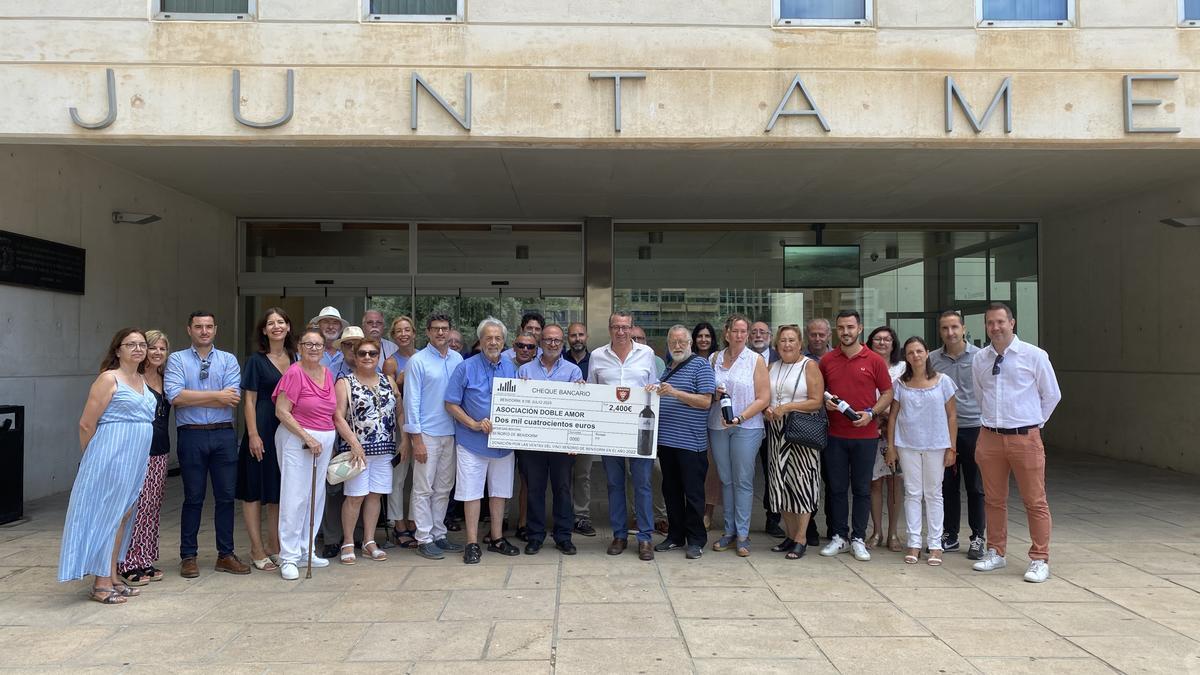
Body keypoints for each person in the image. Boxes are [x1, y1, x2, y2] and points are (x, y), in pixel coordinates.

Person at [59, 329, 156, 604]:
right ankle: (101, 584)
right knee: (108, 515)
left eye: (141, 345)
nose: (138, 349)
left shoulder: (140, 378)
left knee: (123, 515)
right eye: (131, 344)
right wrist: (92, 459)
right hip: (110, 454)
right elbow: (86, 423)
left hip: (135, 457)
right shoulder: (108, 378)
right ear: (117, 350)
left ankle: (112, 575)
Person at [970, 303, 1061, 583]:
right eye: (990, 323)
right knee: (994, 500)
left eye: (1000, 322)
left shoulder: (1033, 355)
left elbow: (1051, 395)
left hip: (1025, 437)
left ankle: (1039, 558)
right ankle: (996, 551)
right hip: (990, 437)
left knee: (1034, 500)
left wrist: (1033, 423)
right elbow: (979, 394)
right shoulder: (980, 359)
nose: (995, 328)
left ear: (1012, 323)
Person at [165, 312, 249, 577]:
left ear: (215, 329)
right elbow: (175, 397)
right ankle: (188, 556)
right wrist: (216, 396)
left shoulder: (228, 359)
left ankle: (225, 554)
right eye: (199, 326)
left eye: (209, 326)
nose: (204, 331)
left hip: (223, 434)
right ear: (189, 329)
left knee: (225, 497)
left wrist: (196, 397)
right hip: (191, 435)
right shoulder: (177, 359)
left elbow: (232, 398)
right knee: (193, 497)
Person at [818, 310, 894, 562]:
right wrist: (824, 402)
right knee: (837, 488)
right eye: (841, 327)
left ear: (859, 328)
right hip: (835, 434)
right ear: (836, 330)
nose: (846, 332)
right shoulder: (827, 360)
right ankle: (840, 536)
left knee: (862, 488)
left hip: (865, 435)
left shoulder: (873, 360)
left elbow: (887, 393)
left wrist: (872, 413)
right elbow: (819, 392)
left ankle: (858, 538)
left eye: (850, 327)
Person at [445, 318, 521, 564]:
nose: (494, 342)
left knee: (499, 493)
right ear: (481, 340)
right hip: (472, 442)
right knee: (472, 493)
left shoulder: (511, 367)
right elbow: (451, 403)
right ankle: (472, 542)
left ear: (504, 341)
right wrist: (473, 424)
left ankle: (497, 539)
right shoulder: (465, 368)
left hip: (503, 444)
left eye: (498, 338)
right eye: (489, 337)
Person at [590, 311, 660, 561]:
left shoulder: (647, 354)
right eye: (616, 327)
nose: (621, 331)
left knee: (642, 484)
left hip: (640, 430)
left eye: (625, 327)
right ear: (609, 329)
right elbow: (591, 392)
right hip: (610, 432)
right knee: (614, 484)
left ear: (632, 329)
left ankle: (645, 538)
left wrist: (655, 388)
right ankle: (619, 535)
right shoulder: (597, 356)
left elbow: (655, 388)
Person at [885, 337, 957, 566]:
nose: (915, 356)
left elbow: (952, 416)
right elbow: (893, 416)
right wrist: (891, 447)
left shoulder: (943, 381)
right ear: (905, 357)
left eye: (918, 351)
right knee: (913, 493)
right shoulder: (900, 384)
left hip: (937, 444)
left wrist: (952, 448)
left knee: (934, 494)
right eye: (910, 353)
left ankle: (935, 544)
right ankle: (914, 542)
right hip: (908, 444)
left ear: (927, 353)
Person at [273, 329, 339, 581]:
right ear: (299, 347)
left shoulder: (327, 373)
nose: (313, 348)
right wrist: (307, 437)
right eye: (308, 344)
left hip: (322, 441)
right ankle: (288, 556)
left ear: (324, 349)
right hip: (297, 440)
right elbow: (282, 411)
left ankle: (305, 550)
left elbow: (330, 413)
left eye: (318, 344)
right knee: (294, 497)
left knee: (315, 496)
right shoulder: (294, 373)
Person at [334, 336, 404, 564]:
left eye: (372, 354)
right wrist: (353, 442)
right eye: (362, 353)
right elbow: (337, 416)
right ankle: (347, 541)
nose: (367, 357)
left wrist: (404, 439)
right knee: (355, 496)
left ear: (378, 357)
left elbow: (399, 412)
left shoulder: (388, 381)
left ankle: (369, 541)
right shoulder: (345, 382)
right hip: (358, 451)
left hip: (384, 450)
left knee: (375, 495)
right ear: (354, 356)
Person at [236, 309, 295, 572]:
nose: (276, 326)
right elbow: (248, 400)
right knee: (253, 491)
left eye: (280, 322)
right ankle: (256, 548)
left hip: (287, 431)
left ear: (288, 327)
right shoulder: (255, 361)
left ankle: (275, 546)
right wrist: (252, 434)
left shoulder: (296, 358)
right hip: (261, 428)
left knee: (277, 492)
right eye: (270, 323)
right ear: (263, 330)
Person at [707, 314, 770, 557]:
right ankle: (729, 531)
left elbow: (764, 398)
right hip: (718, 424)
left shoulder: (755, 360)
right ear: (726, 333)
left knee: (743, 480)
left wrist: (740, 417)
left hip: (747, 425)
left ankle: (743, 535)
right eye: (736, 331)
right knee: (726, 479)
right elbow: (707, 390)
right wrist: (715, 391)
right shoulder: (715, 358)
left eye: (744, 331)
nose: (740, 335)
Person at [517, 324, 583, 555]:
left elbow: (578, 409)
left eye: (556, 340)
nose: (552, 344)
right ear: (541, 342)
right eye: (548, 340)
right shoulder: (524, 371)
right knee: (535, 489)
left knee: (563, 489)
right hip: (532, 443)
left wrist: (575, 440)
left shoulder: (574, 371)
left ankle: (563, 536)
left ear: (562, 342)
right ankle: (535, 536)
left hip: (562, 444)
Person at [404, 313, 465, 560]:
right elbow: (411, 401)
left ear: (451, 331)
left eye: (445, 329)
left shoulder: (458, 358)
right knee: (422, 488)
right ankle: (423, 537)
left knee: (443, 488)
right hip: (426, 434)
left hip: (451, 433)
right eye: (436, 329)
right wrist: (416, 439)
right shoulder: (417, 361)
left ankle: (439, 534)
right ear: (428, 332)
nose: (441, 333)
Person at [653, 326, 717, 560]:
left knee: (693, 494)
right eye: (673, 342)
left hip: (691, 444)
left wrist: (675, 393)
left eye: (682, 341)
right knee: (670, 491)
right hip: (667, 443)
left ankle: (696, 539)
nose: (677, 346)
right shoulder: (669, 368)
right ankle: (675, 536)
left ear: (690, 343)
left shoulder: (701, 366)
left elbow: (705, 401)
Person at [763, 325, 824, 560]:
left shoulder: (809, 366)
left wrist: (786, 407)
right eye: (783, 341)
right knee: (781, 483)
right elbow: (765, 396)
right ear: (777, 345)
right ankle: (789, 536)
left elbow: (816, 401)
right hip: (777, 431)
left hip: (801, 430)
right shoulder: (772, 367)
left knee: (802, 484)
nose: (787, 345)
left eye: (791, 340)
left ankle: (801, 538)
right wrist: (768, 409)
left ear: (800, 344)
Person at [930, 310, 987, 560]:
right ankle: (949, 535)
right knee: (947, 486)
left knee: (975, 486)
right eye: (945, 328)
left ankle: (977, 537)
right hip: (943, 431)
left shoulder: (981, 357)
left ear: (963, 328)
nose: (950, 333)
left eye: (954, 327)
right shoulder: (932, 359)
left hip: (974, 428)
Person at [117, 329, 172, 586]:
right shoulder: (133, 378)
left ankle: (144, 558)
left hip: (160, 449)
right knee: (134, 508)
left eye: (162, 348)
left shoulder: (166, 377)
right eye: (153, 348)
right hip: (137, 449)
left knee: (151, 507)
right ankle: (126, 562)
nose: (158, 353)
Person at [866, 325, 906, 552]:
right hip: (872, 428)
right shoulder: (866, 364)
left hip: (897, 431)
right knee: (874, 483)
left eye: (887, 339)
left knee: (894, 482)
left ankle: (893, 533)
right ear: (871, 342)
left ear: (893, 343)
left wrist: (890, 416)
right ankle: (876, 531)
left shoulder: (903, 368)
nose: (882, 343)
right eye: (877, 339)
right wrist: (877, 414)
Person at [382, 315, 418, 547]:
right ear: (393, 336)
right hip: (399, 427)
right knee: (398, 477)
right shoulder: (391, 363)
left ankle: (416, 520)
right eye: (399, 331)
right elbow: (391, 395)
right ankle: (398, 523)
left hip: (423, 425)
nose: (403, 334)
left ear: (414, 333)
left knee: (421, 478)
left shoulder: (424, 356)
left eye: (407, 330)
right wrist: (402, 379)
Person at [630, 325, 669, 535]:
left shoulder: (657, 362)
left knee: (656, 472)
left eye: (641, 338)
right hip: (626, 427)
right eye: (634, 337)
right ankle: (638, 517)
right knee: (633, 474)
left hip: (650, 426)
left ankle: (661, 516)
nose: (637, 340)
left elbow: (660, 389)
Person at [750, 319, 784, 538]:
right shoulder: (741, 358)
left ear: (770, 336)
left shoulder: (780, 359)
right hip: (745, 423)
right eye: (754, 332)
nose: (758, 335)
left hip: (772, 425)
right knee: (742, 473)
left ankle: (773, 518)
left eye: (762, 332)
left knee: (773, 472)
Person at [803, 316, 834, 546]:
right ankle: (809, 526)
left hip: (836, 428)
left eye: (821, 334)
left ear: (828, 335)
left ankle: (835, 528)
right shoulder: (800, 360)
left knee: (834, 481)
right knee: (809, 480)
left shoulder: (837, 358)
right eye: (813, 334)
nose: (817, 338)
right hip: (808, 427)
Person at [507, 331, 540, 541]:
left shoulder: (539, 369)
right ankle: (498, 522)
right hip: (506, 430)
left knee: (527, 480)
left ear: (536, 350)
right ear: (514, 346)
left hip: (530, 433)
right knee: (500, 479)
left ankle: (523, 523)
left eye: (530, 347)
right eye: (521, 345)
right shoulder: (502, 363)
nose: (525, 350)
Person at [564, 321, 596, 538]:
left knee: (583, 474)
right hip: (561, 425)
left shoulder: (596, 360)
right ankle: (564, 516)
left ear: (587, 337)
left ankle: (581, 517)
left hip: (587, 426)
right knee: (562, 474)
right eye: (573, 335)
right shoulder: (559, 359)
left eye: (581, 335)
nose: (577, 339)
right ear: (568, 338)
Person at [692, 321, 722, 531]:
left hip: (714, 420)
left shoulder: (719, 360)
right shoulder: (686, 359)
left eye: (707, 336)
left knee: (711, 469)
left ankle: (707, 512)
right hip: (691, 421)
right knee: (693, 468)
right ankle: (692, 509)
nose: (703, 340)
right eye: (700, 336)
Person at [311, 306, 348, 372]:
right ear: (318, 326)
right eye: (326, 322)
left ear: (340, 328)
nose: (331, 327)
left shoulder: (348, 352)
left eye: (335, 323)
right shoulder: (309, 352)